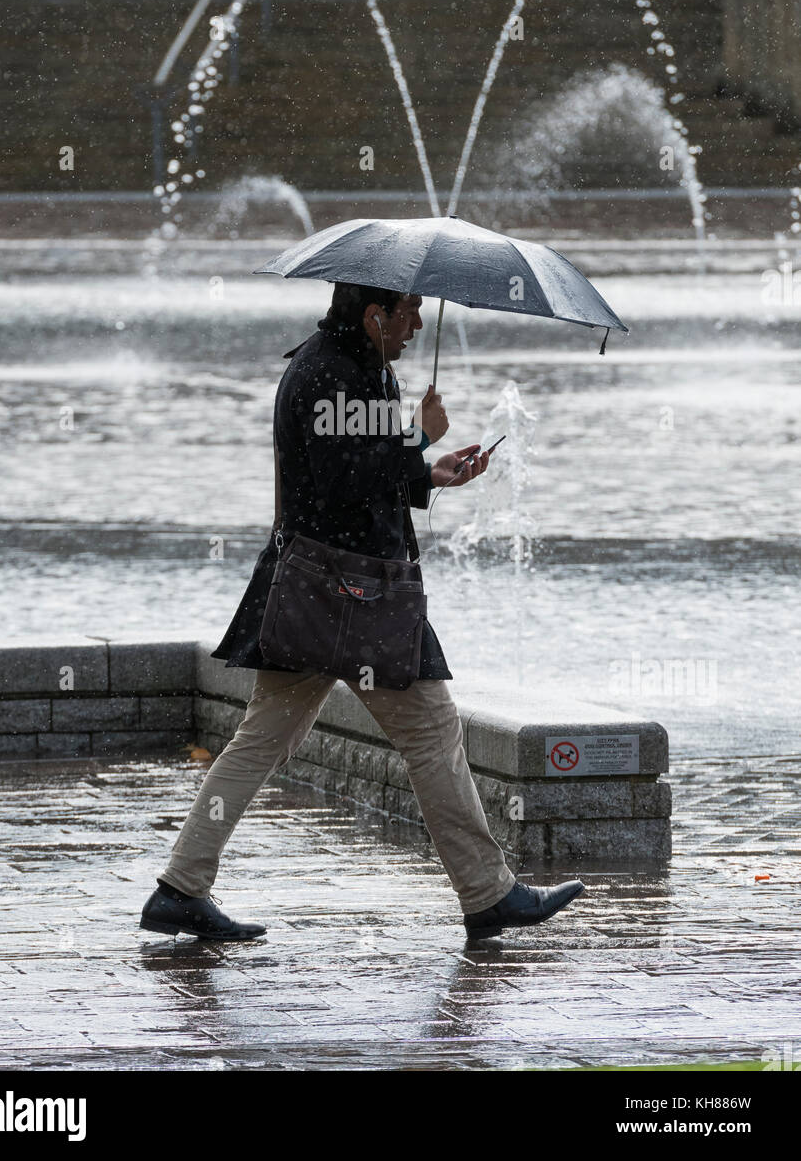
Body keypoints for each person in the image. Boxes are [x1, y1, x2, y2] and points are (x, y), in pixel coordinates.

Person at [140, 283, 584, 942]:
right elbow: (344, 482)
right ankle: (489, 897)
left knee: (264, 736)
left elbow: (370, 473)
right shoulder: (330, 373)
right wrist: (417, 437)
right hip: (353, 592)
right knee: (431, 731)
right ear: (375, 313)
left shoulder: (348, 365)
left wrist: (431, 472)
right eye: (409, 314)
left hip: (315, 589)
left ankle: (181, 885)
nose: (418, 325)